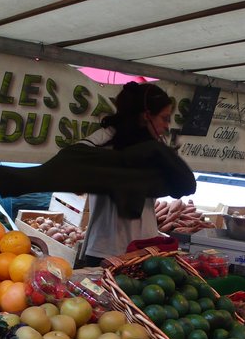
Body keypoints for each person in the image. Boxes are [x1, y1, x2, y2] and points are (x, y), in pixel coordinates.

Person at [79, 83, 189, 266]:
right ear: (146, 116)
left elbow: (181, 186)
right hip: (106, 251)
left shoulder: (153, 148)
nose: (166, 126)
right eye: (164, 118)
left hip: (144, 249)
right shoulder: (102, 141)